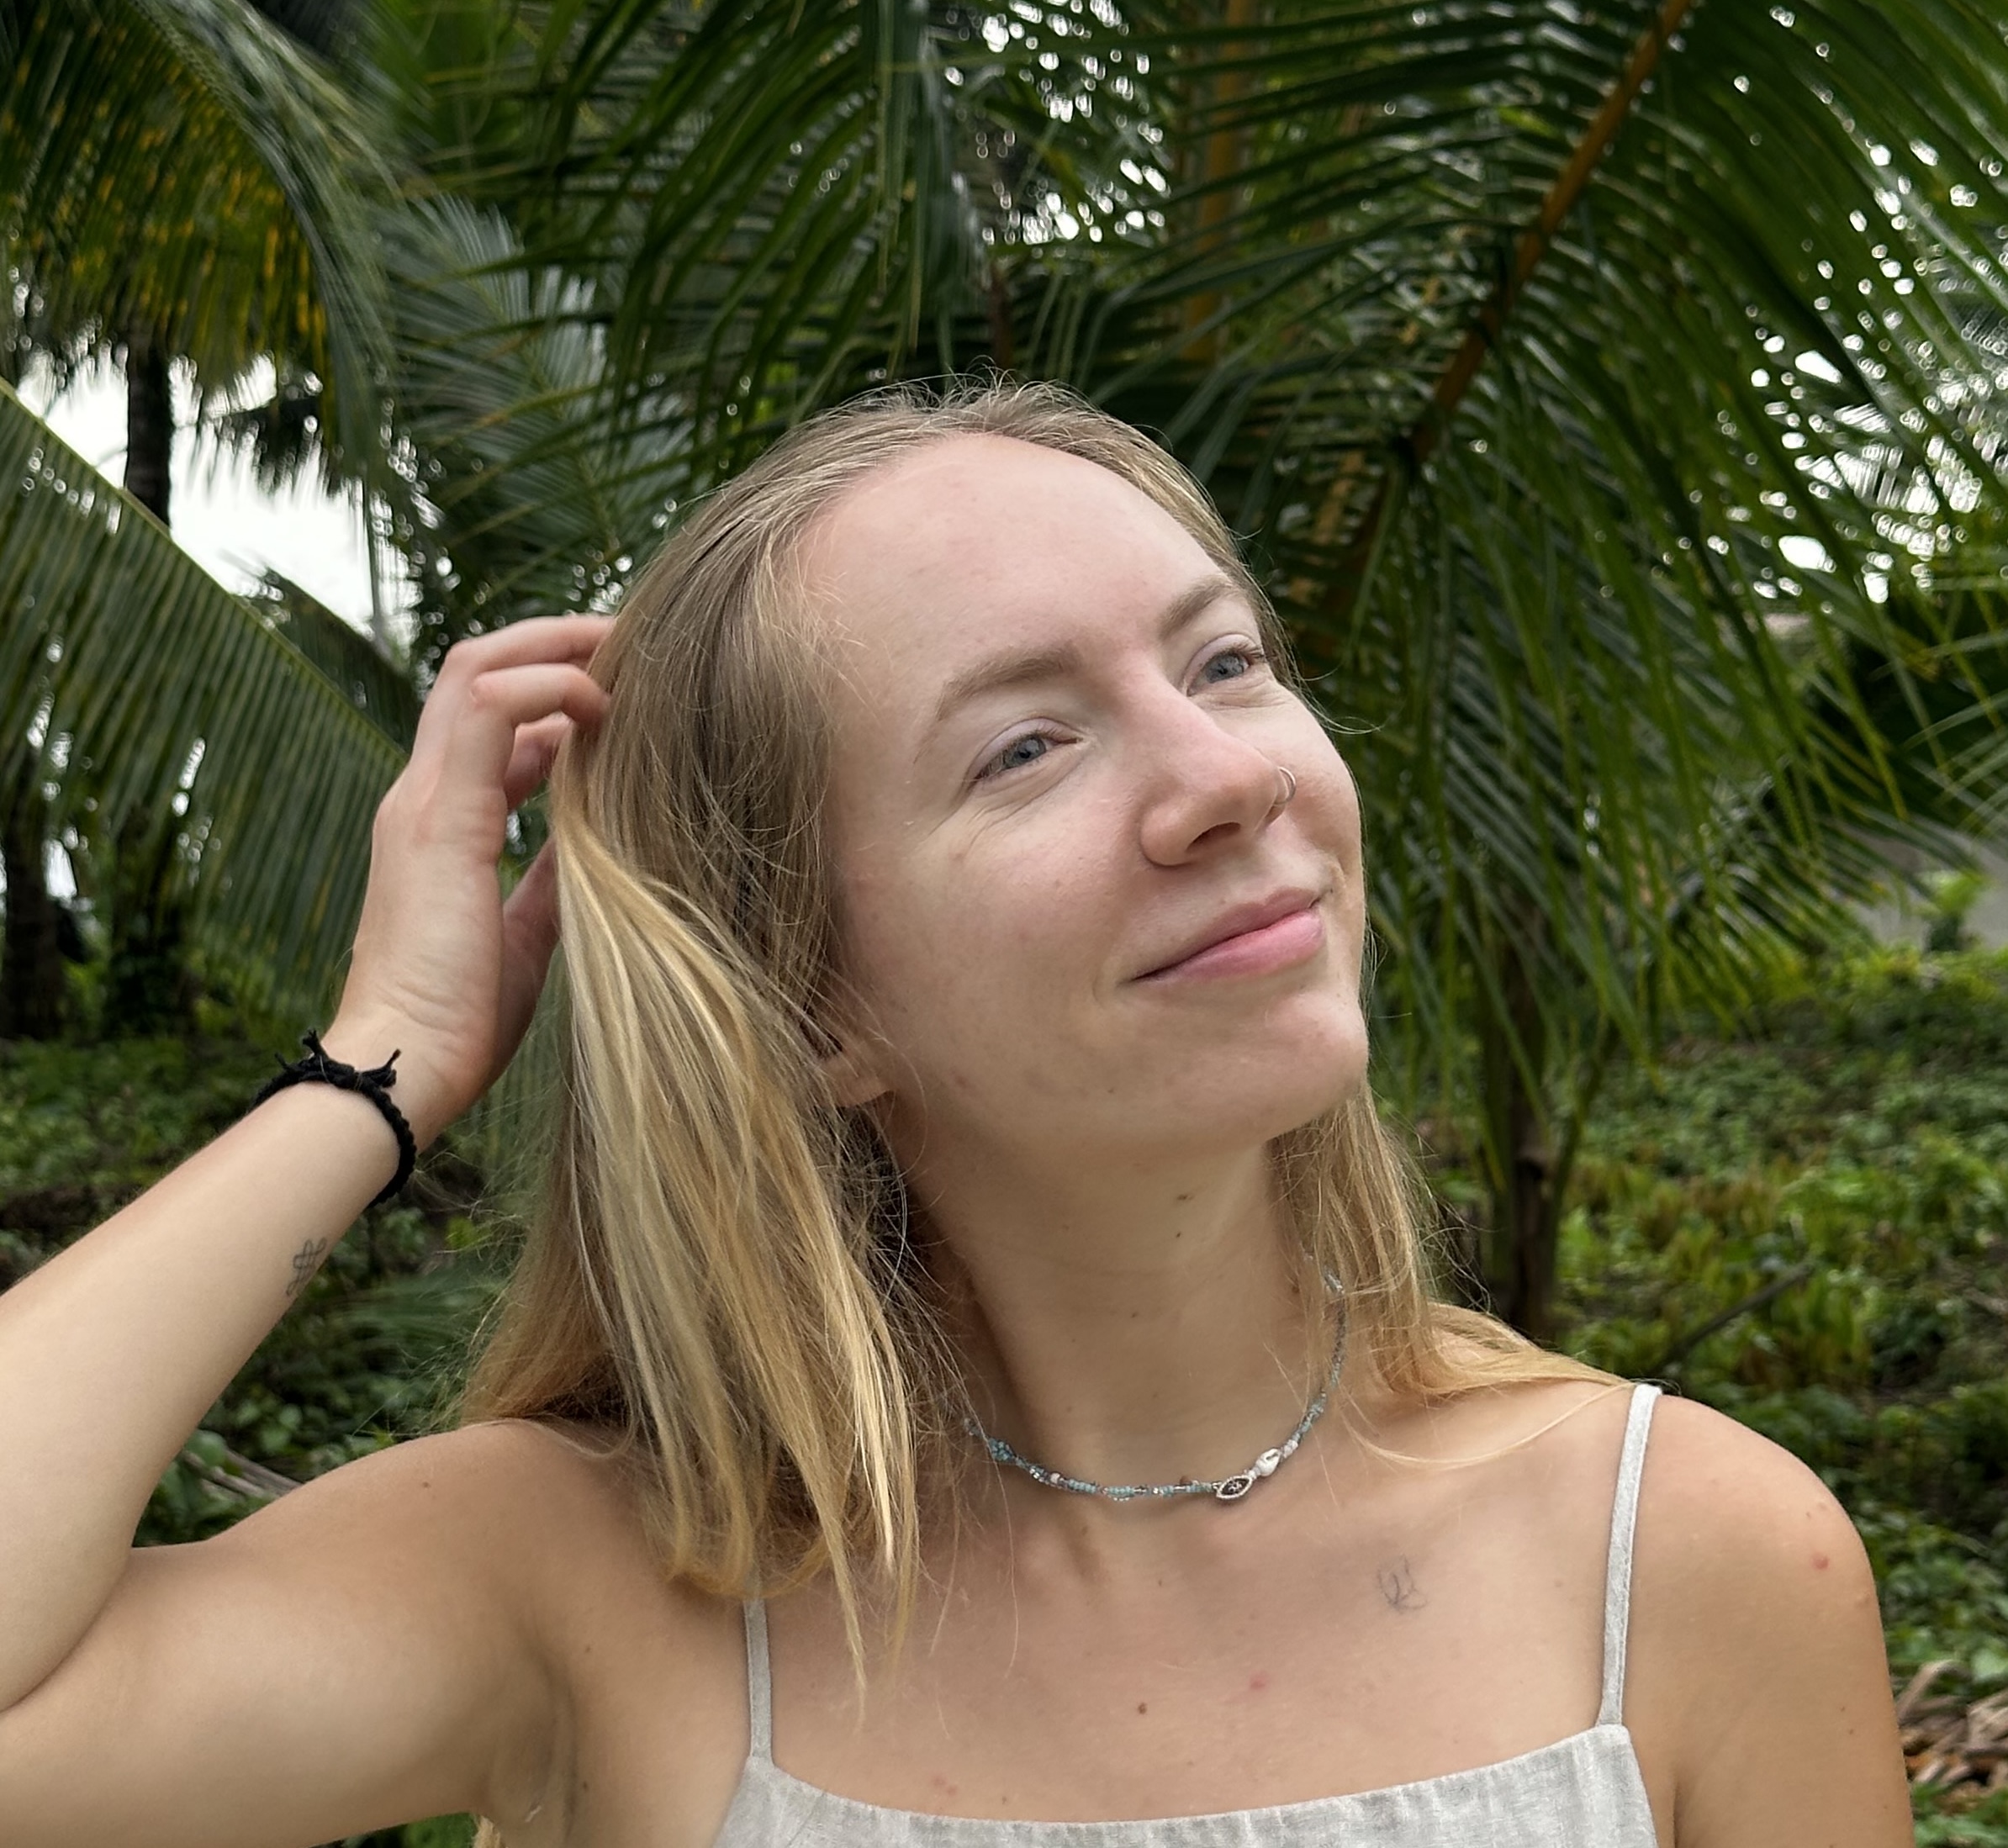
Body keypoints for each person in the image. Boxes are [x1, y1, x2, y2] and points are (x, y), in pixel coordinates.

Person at [0, 382, 1906, 1848]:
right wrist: (386, 1060)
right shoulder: (593, 1578)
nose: (1222, 778)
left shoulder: (1695, 1558)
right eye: (1026, 745)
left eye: (1225, 660)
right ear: (817, 1005)